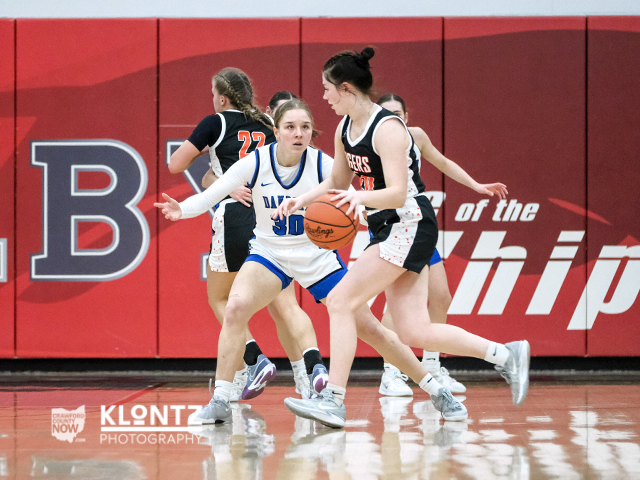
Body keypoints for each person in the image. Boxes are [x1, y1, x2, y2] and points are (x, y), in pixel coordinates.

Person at [156, 99, 467, 427]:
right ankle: (220, 400)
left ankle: (436, 391)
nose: (298, 133)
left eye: (305, 127)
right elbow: (212, 193)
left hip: (317, 256)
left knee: (371, 329)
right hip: (270, 254)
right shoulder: (256, 162)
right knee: (235, 307)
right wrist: (182, 210)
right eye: (290, 127)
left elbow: (357, 204)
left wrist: (365, 222)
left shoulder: (323, 164)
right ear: (276, 131)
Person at [277, 48, 530, 427]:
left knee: (341, 301)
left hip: (410, 224)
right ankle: (506, 355)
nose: (324, 96)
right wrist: (302, 199)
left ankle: (333, 400)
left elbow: (397, 193)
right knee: (413, 329)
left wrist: (359, 198)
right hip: (387, 227)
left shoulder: (388, 129)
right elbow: (338, 181)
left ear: (346, 88)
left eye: (328, 88)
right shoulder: (346, 129)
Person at [167, 68, 327, 401]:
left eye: (214, 94)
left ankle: (253, 360)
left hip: (235, 218)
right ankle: (307, 378)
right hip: (271, 216)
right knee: (285, 305)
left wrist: (206, 151)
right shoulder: (269, 123)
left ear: (222, 98)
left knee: (222, 300)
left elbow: (176, 165)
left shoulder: (216, 122)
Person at [375, 93, 508, 397]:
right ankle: (391, 373)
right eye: (385, 114)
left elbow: (443, 162)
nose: (392, 118)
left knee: (441, 297)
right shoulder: (374, 142)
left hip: (417, 224)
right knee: (395, 306)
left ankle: (432, 366)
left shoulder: (417, 136)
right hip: (393, 226)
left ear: (406, 116)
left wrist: (475, 184)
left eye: (397, 113)